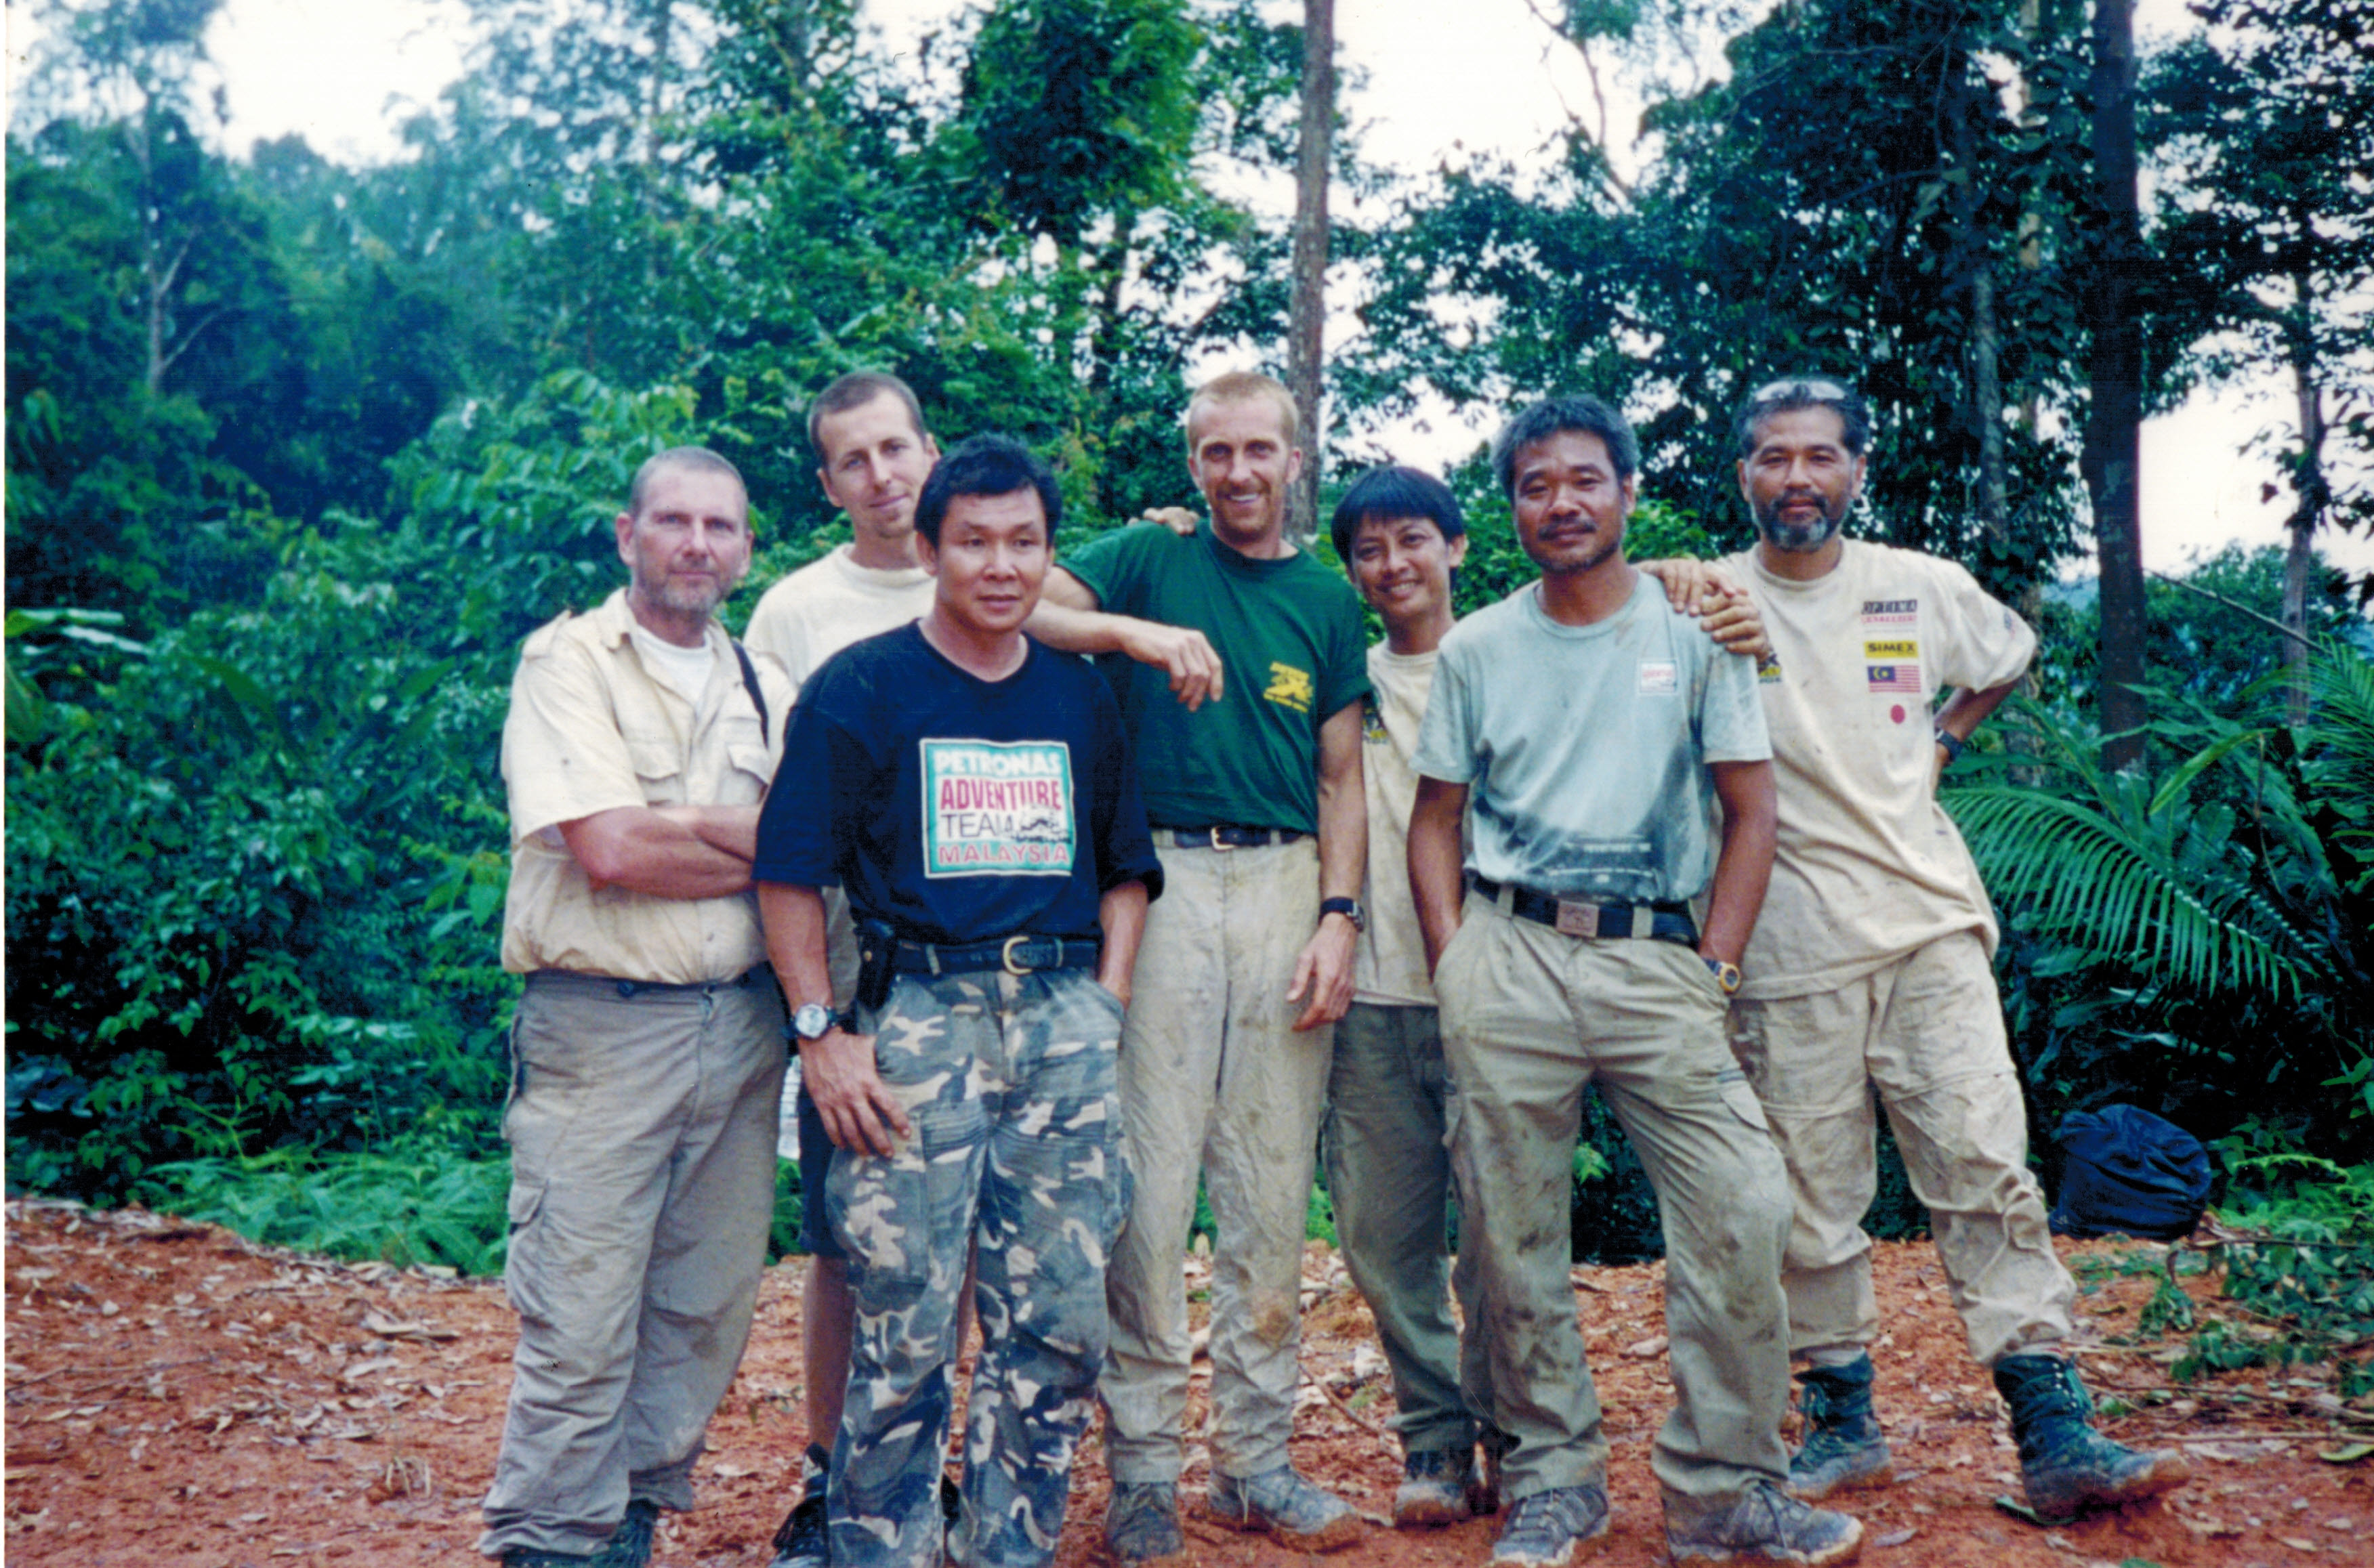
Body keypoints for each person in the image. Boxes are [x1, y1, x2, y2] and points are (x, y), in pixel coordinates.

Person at [1665, 374, 2190, 1525]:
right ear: (1743, 473)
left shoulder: (1916, 585)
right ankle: (1842, 1422)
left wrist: (1944, 739)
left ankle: (2053, 1426)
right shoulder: (1705, 597)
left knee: (1984, 1163)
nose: (1797, 478)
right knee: (1809, 1197)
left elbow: (2007, 653)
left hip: (1929, 926)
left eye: (1820, 456)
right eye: (1773, 457)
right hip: (1785, 941)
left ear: (1857, 468)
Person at [1407, 395, 1862, 1568]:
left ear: (1627, 492)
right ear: (1513, 509)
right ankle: (1551, 1479)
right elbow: (1436, 816)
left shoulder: (1698, 629)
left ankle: (1725, 1489)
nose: (1561, 503)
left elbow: (1752, 811)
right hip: (1510, 953)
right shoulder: (1477, 648)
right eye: (1536, 485)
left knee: (1742, 1203)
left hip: (1660, 959)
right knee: (1508, 1234)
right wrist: (1457, 961)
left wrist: (1716, 966)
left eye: (1584, 480)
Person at [752, 433, 1163, 1568]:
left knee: (1059, 1322)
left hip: (1061, 1015)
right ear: (930, 549)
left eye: (1024, 542)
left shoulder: (1079, 694)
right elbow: (788, 874)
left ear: (1047, 553)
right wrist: (820, 1036)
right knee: (904, 1317)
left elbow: (1127, 869)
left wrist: (1107, 1006)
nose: (1000, 565)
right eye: (974, 541)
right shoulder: (862, 687)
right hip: (917, 1018)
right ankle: (881, 1547)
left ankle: (1006, 1547)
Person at [1038, 370, 1372, 1561]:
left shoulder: (1326, 600)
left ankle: (1254, 1463)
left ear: (1295, 459)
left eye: (1258, 450)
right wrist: (1129, 631)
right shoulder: (1148, 555)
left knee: (1271, 1190)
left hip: (1285, 885)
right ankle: (1140, 1473)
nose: (1238, 472)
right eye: (1216, 452)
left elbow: (1343, 775)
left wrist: (1340, 916)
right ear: (1193, 465)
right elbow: (1018, 601)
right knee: (1149, 1188)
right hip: (1161, 884)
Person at [480, 446, 794, 1568]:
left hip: (745, 1026)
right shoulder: (568, 662)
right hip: (602, 1026)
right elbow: (610, 850)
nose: (696, 545)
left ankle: (630, 1524)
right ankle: (548, 1540)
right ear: (628, 535)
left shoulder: (768, 686)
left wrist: (696, 834)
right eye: (673, 522)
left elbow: (813, 852)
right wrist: (751, 844)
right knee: (580, 1306)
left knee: (701, 1305)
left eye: (720, 527)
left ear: (746, 549)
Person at [741, 372, 945, 1568]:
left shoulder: (991, 570)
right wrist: (813, 1011)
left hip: (973, 964)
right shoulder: (795, 612)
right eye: (854, 460)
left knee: (957, 1238)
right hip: (843, 963)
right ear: (827, 483)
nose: (882, 476)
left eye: (895, 449)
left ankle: (934, 1470)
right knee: (841, 1237)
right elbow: (781, 815)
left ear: (930, 450)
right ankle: (829, 1473)